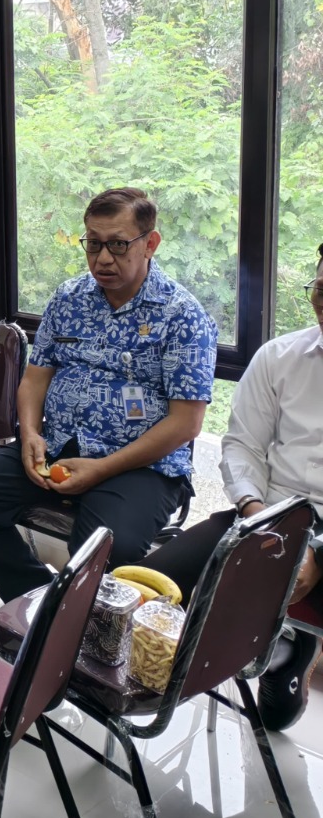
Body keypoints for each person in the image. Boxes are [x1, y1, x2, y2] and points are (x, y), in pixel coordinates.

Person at [0, 187, 217, 604]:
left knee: (106, 548)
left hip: (140, 465)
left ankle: (74, 625)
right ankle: (39, 607)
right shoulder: (69, 298)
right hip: (58, 445)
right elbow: (35, 379)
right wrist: (30, 435)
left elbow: (186, 423)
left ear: (150, 243)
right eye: (93, 244)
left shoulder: (182, 316)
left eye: (118, 244)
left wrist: (102, 469)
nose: (103, 259)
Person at [137, 241, 323, 731]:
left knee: (274, 718)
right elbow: (242, 446)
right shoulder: (280, 357)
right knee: (140, 589)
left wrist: (315, 552)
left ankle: (288, 647)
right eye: (321, 289)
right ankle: (278, 651)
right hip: (270, 513)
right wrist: (258, 514)